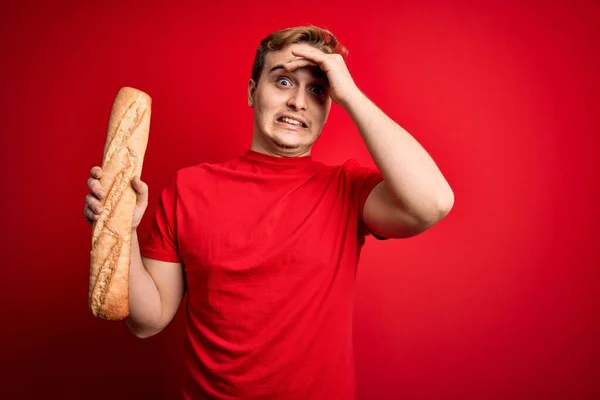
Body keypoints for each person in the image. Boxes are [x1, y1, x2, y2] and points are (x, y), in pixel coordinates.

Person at [84, 25, 454, 400]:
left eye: (317, 90)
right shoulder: (189, 188)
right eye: (283, 82)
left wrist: (352, 94)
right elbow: (147, 321)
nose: (298, 102)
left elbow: (432, 203)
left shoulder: (347, 189)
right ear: (251, 92)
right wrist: (124, 229)